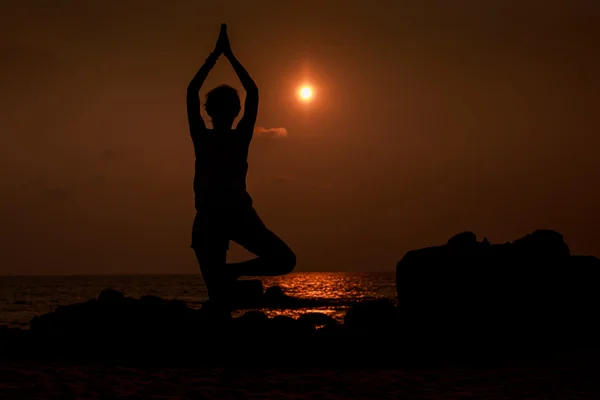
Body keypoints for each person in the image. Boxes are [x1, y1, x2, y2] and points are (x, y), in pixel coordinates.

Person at [186, 24, 296, 313]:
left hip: (237, 214)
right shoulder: (211, 137)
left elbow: (193, 91)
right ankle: (231, 282)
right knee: (219, 302)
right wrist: (226, 55)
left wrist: (219, 55)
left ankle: (232, 274)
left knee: (283, 260)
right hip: (212, 220)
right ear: (230, 111)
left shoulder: (232, 137)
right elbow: (251, 92)